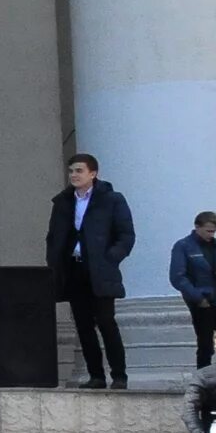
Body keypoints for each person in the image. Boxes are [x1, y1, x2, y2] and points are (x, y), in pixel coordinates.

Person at [46, 152, 136, 390]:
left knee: (106, 322)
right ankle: (96, 375)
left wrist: (110, 258)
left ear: (93, 174)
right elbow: (54, 236)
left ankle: (119, 375)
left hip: (100, 269)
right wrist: (54, 262)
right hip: (73, 269)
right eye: (72, 171)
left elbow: (126, 235)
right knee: (83, 326)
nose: (74, 175)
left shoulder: (111, 199)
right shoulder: (63, 202)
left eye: (79, 171)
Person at [165, 210, 216, 371]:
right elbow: (178, 277)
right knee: (205, 344)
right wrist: (197, 297)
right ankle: (203, 378)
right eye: (208, 230)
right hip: (201, 300)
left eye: (213, 231)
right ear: (197, 227)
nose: (211, 235)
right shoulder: (184, 246)